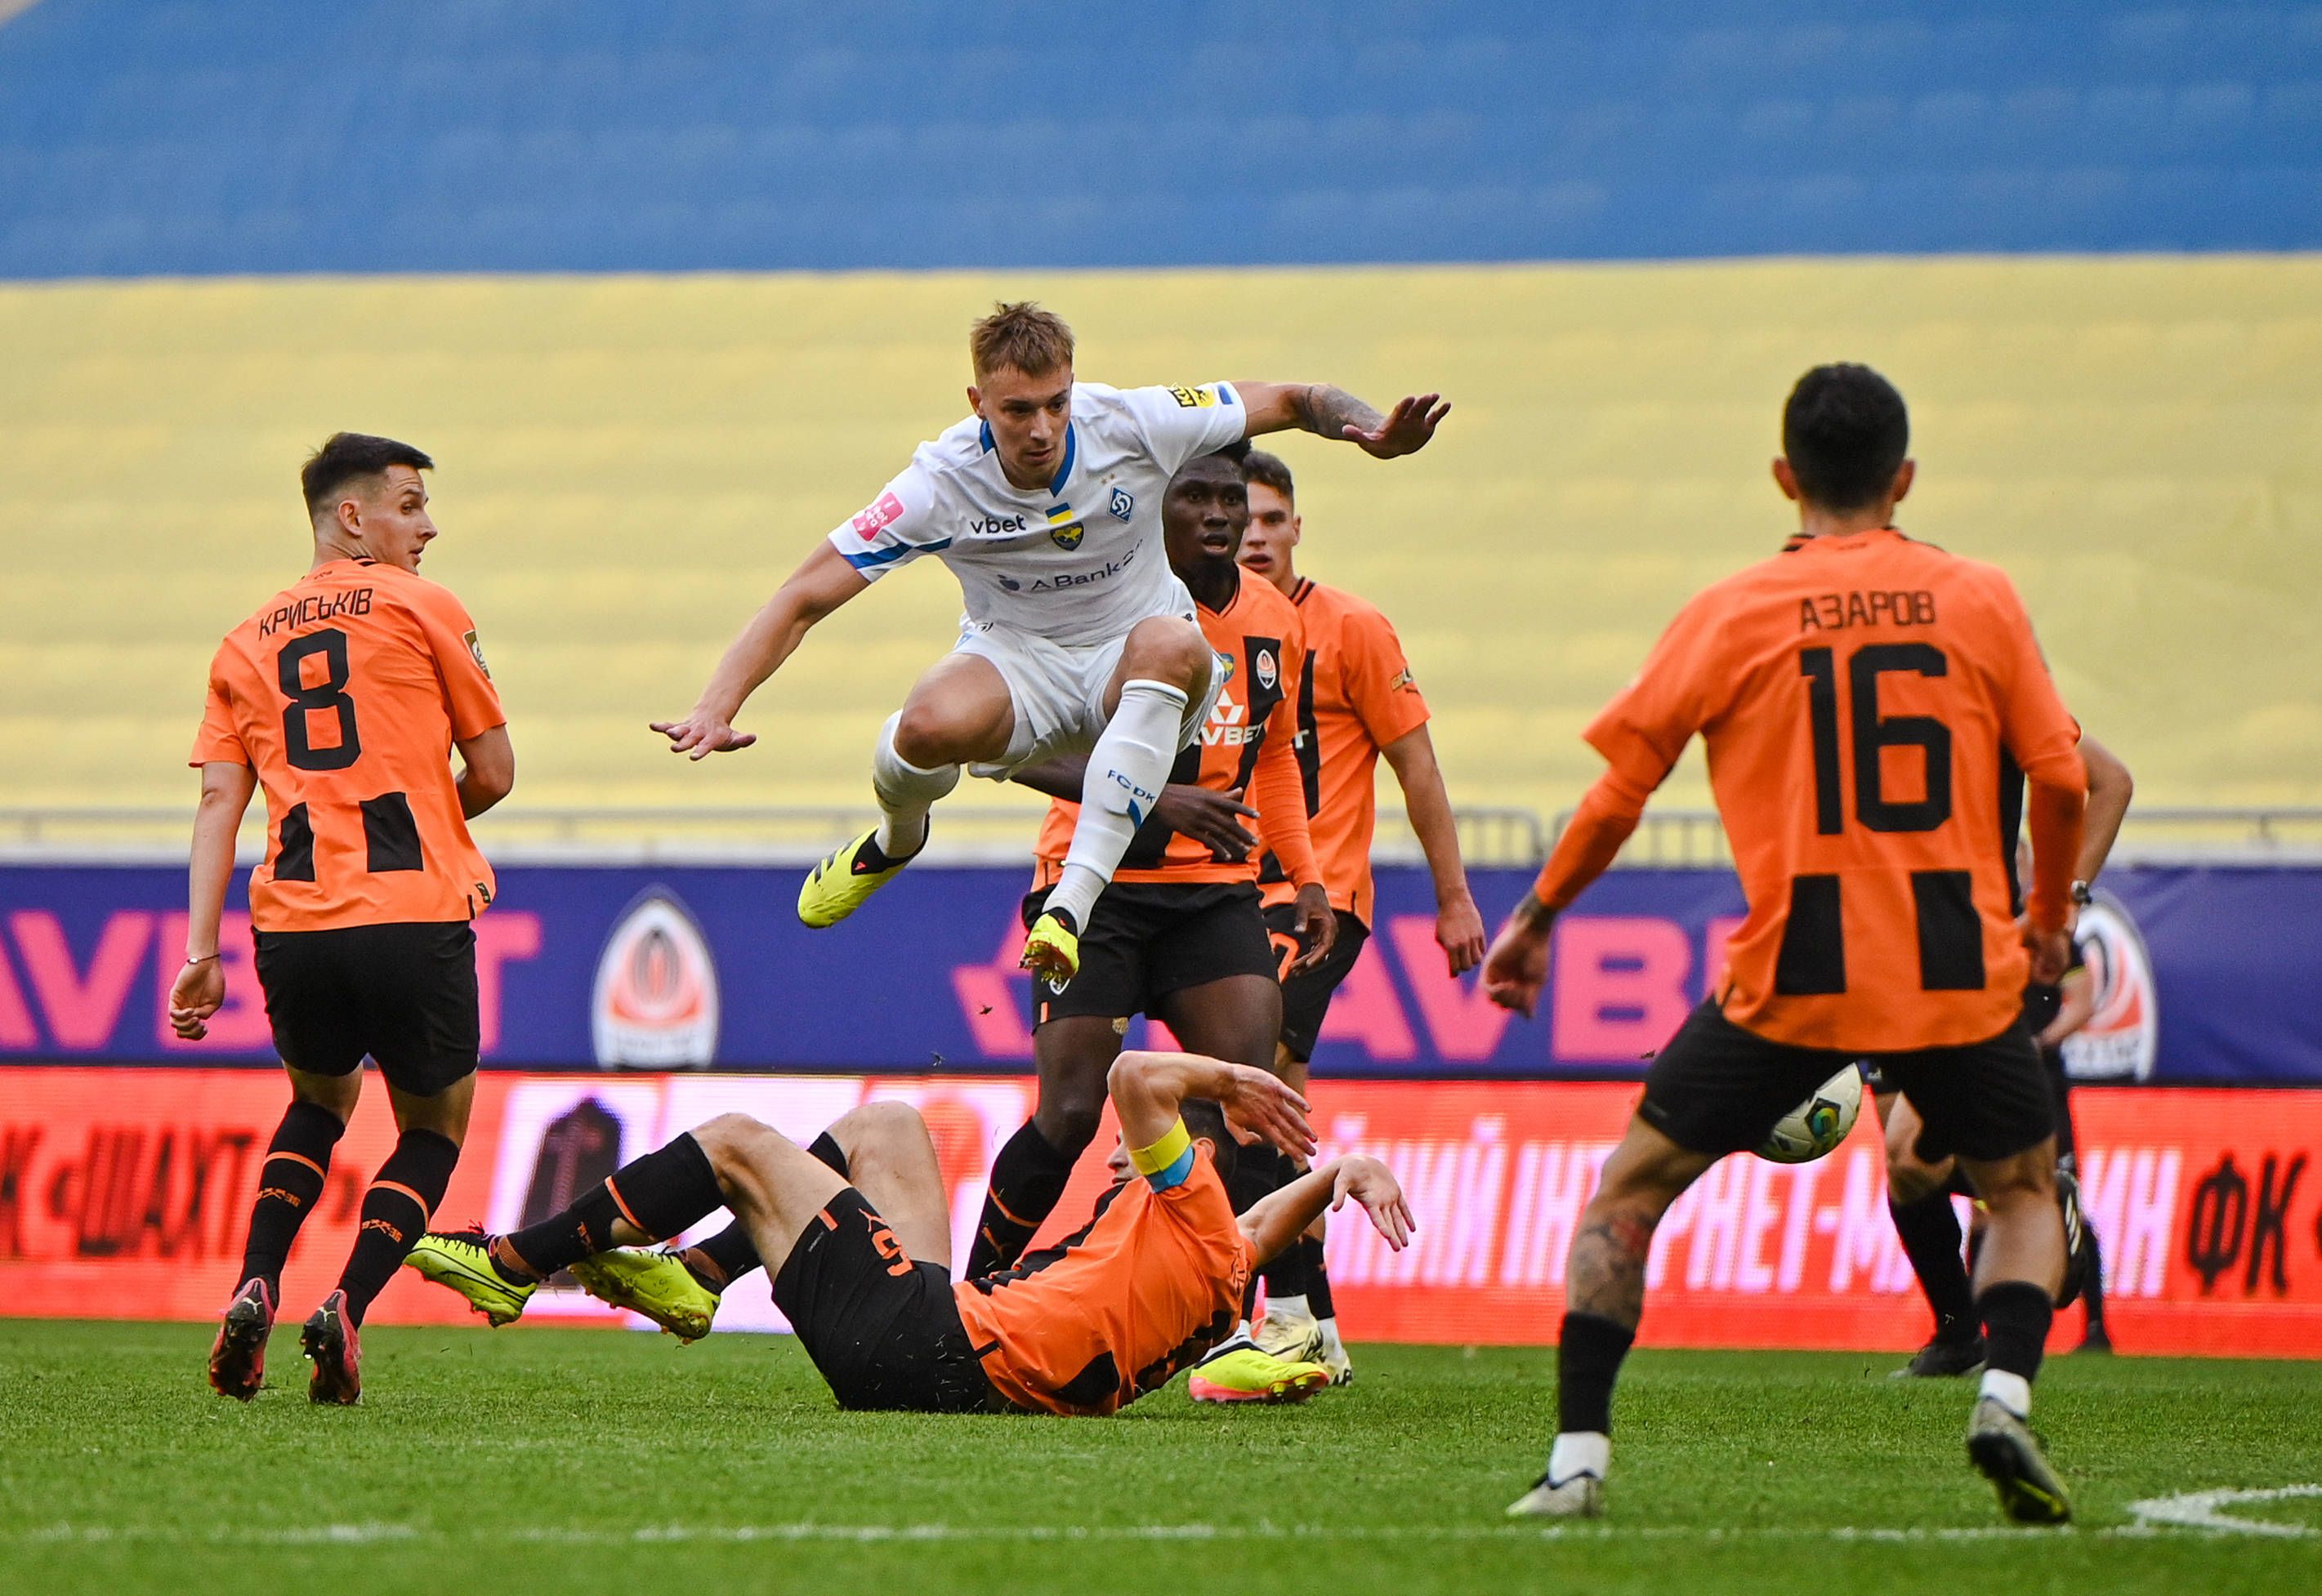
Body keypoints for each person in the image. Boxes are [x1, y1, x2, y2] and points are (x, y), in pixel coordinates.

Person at [1482, 364, 2089, 1525]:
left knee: (1627, 1194)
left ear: (1783, 479)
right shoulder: (1979, 597)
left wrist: (1540, 916)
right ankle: (2003, 1388)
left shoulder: (1732, 608)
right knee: (2018, 1192)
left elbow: (1621, 792)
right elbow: (2061, 776)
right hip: (1953, 965)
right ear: (1902, 478)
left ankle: (1575, 1460)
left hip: (1789, 969)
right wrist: (2047, 924)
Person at [650, 302, 1447, 987]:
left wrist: (1369, 429)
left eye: (1055, 404)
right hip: (1018, 663)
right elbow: (802, 595)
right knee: (924, 727)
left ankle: (1068, 904)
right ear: (977, 402)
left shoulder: (1131, 423)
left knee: (1175, 643)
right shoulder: (938, 484)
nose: (1041, 429)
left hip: (1133, 661)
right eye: (1017, 410)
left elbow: (1292, 398)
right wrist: (716, 706)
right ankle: (898, 839)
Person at [404, 1053, 1413, 1418]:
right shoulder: (1218, 1263)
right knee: (888, 1128)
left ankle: (511, 1264)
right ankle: (702, 1275)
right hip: (951, 1351)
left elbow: (1132, 1080)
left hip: (927, 1345)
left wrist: (1223, 1082)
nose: (1123, 1155)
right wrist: (1340, 1173)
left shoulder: (1185, 1211)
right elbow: (1259, 1226)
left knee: (735, 1143)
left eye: (1144, 1158)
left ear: (1184, 1172)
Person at [971, 446, 1333, 1403]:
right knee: (1070, 1111)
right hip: (1095, 893)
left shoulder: (1274, 622)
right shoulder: (1101, 605)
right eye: (1197, 498)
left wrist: (1304, 875)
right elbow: (1004, 752)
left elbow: (1277, 762)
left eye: (1231, 498)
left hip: (1214, 893)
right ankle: (967, 1299)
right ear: (1154, 512)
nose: (1219, 515)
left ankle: (1250, 1332)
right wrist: (1153, 799)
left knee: (1246, 1105)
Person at [174, 433, 515, 1405]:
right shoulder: (425, 607)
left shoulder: (244, 640)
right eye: (410, 505)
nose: (429, 524)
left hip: (294, 923)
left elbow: (215, 807)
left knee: (318, 1107)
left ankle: (254, 1282)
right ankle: (348, 1308)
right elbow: (493, 773)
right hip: (412, 910)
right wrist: (423, 816)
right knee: (433, 1131)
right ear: (352, 517)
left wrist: (201, 954)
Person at [1235, 448, 1486, 1383]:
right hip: (1222, 899)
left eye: (1269, 519)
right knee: (1254, 1104)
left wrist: (1453, 894)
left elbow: (1417, 765)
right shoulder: (1202, 629)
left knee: (1257, 1089)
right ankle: (1319, 1327)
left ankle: (1291, 1316)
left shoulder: (1353, 629)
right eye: (1239, 518)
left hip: (1317, 902)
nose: (1253, 536)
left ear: (1296, 527)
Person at [1878, 743, 2132, 1375]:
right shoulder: (1851, 685)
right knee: (1908, 1161)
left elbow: (2111, 784)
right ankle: (1963, 1331)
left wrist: (2061, 902)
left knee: (1910, 1152)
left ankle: (1981, 1343)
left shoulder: (1996, 686)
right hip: (1886, 953)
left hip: (1972, 961)